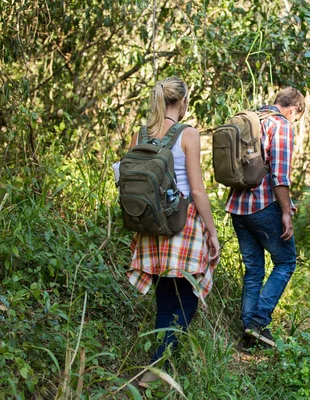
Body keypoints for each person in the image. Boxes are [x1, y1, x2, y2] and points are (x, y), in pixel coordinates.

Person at [125, 76, 220, 387]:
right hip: (182, 222)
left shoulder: (141, 132)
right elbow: (197, 189)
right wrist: (212, 230)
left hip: (149, 225)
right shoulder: (188, 134)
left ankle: (157, 362)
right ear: (182, 101)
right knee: (190, 293)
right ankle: (157, 368)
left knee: (167, 296)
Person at [226, 87, 305, 349]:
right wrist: (285, 213)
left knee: (254, 270)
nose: (294, 121)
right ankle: (258, 322)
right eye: (296, 117)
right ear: (293, 110)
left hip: (238, 206)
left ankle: (249, 333)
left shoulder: (253, 119)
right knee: (286, 262)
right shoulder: (280, 126)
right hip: (263, 207)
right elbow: (280, 177)